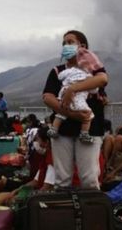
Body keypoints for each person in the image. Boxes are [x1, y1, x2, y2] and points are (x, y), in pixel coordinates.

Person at [43, 30, 108, 189]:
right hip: (62, 129)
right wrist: (72, 114)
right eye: (64, 43)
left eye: (70, 42)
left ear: (82, 46)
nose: (66, 46)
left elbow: (103, 79)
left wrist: (72, 89)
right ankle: (65, 211)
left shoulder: (92, 69)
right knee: (62, 178)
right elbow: (48, 97)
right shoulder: (58, 71)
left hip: (90, 129)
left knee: (89, 178)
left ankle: (91, 211)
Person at [47, 54, 99, 143]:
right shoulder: (88, 76)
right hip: (78, 100)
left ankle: (54, 129)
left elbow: (60, 76)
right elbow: (94, 90)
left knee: (61, 113)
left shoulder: (70, 70)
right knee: (88, 116)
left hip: (63, 96)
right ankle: (84, 134)